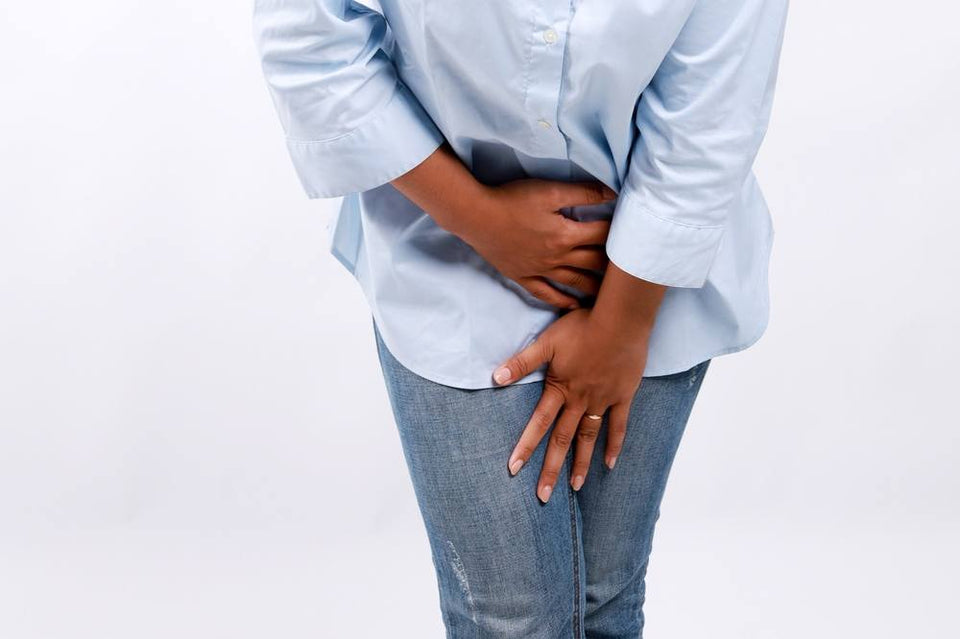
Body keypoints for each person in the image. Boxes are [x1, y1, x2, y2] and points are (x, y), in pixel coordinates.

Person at [252, 0, 789, 636]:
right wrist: (482, 221)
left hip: (650, 273)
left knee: (605, 603)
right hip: (444, 251)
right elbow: (307, 36)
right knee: (513, 622)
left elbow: (711, 113)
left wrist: (619, 328)